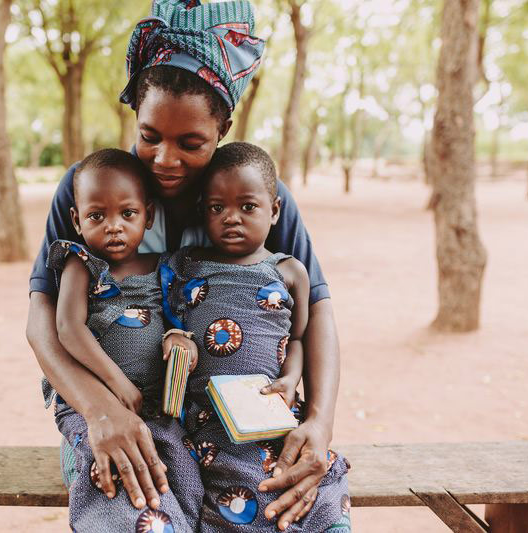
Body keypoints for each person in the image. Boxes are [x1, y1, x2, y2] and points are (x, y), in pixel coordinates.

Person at [27, 0, 345, 528]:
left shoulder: (252, 192)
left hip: (237, 428)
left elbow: (319, 313)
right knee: (140, 511)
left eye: (190, 142)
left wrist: (320, 422)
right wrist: (97, 408)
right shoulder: (94, 189)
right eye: (149, 135)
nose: (165, 159)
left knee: (293, 513)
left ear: (222, 126)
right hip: (117, 417)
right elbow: (44, 322)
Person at [162, 142, 350, 532]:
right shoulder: (186, 266)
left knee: (304, 480)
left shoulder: (289, 272)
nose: (231, 218)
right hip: (206, 415)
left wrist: (290, 380)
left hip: (270, 410)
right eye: (217, 208)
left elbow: (298, 338)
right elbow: (165, 318)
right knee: (224, 488)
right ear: (203, 212)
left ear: (275, 210)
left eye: (247, 207)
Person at [45, 148, 204, 531]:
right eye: (97, 216)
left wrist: (181, 341)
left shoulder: (164, 267)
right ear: (76, 220)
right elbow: (68, 328)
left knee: (184, 479)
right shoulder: (81, 265)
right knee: (118, 480)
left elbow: (176, 321)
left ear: (148, 215)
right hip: (92, 405)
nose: (113, 226)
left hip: (156, 411)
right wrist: (116, 383)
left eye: (127, 214)